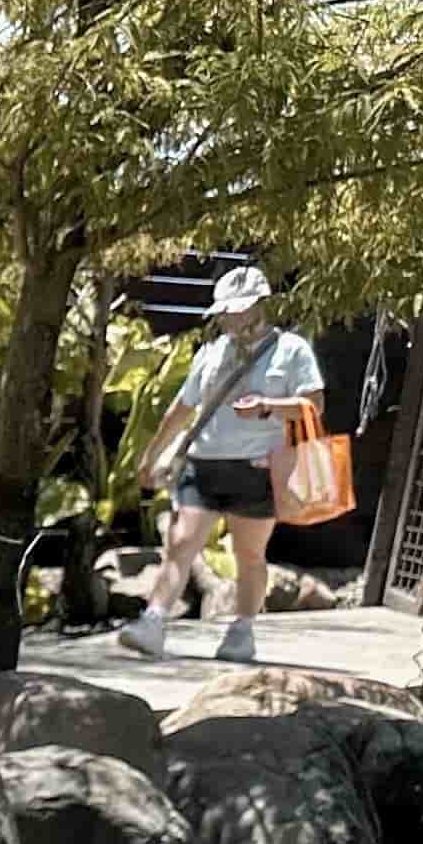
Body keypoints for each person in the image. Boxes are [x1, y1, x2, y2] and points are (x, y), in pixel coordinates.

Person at [121, 264, 322, 664]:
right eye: (226, 311)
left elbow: (312, 406)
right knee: (180, 544)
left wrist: (267, 406)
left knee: (249, 556)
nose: (231, 317)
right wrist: (152, 454)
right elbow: (182, 408)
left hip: (255, 469)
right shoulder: (212, 352)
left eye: (239, 309)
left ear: (261, 305)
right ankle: (153, 621)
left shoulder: (292, 350)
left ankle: (242, 630)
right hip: (203, 465)